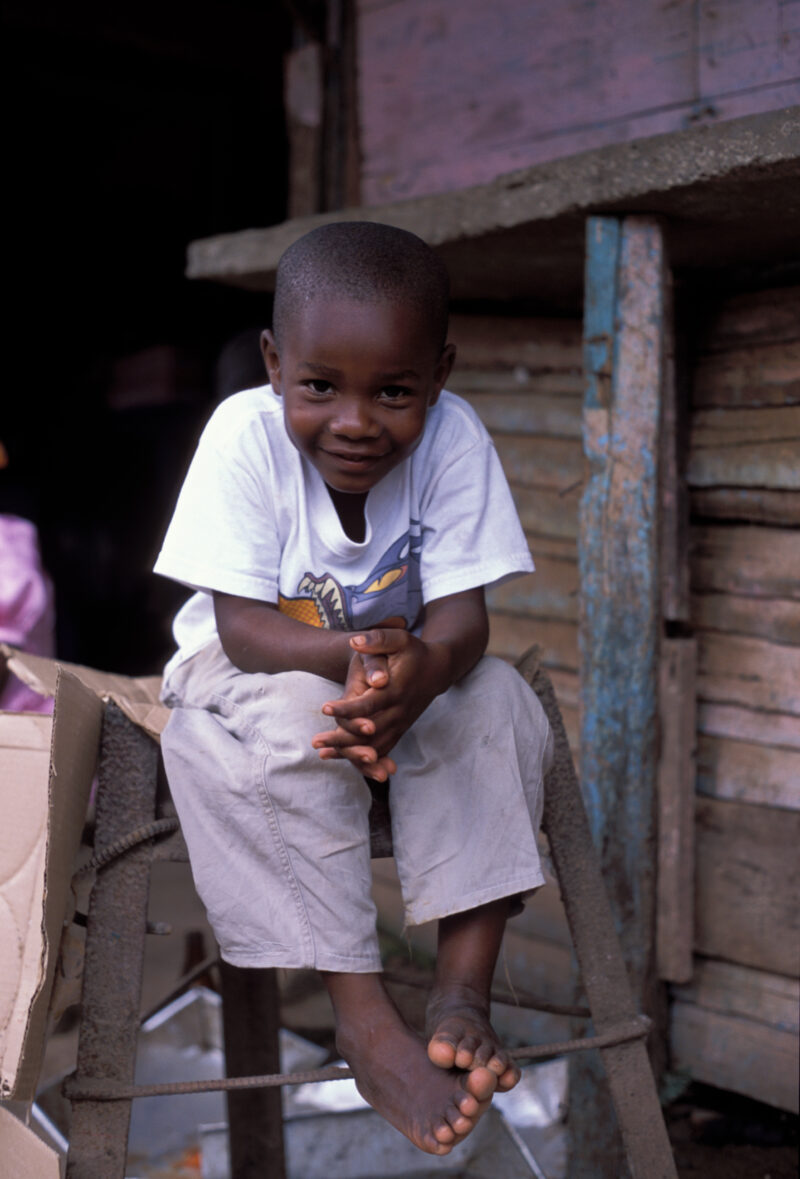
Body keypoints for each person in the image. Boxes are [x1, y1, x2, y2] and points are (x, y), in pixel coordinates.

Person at [154, 221, 552, 1156]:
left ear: (441, 375)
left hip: (401, 670)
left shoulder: (456, 440)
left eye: (396, 391)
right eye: (320, 386)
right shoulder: (242, 439)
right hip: (251, 664)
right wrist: (357, 667)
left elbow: (463, 622)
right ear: (273, 362)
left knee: (497, 701)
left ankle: (461, 987)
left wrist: (425, 673)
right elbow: (245, 629)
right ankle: (366, 1016)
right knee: (287, 726)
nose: (357, 421)